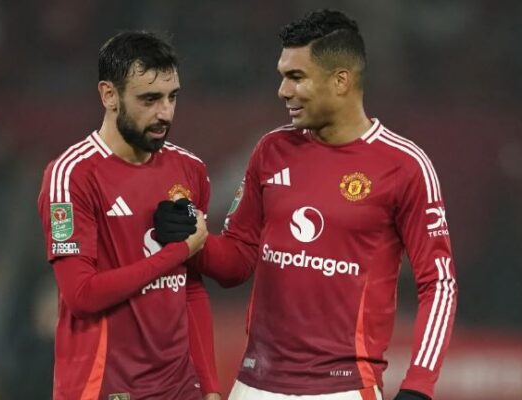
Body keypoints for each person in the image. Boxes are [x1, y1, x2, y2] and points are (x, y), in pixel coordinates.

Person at [154, 9, 457, 400]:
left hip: (342, 388)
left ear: (341, 81)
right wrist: (194, 241)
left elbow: (439, 283)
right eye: (283, 76)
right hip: (254, 384)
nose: (283, 90)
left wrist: (419, 384)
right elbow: (238, 261)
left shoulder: (404, 165)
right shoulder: (271, 149)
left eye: (296, 77)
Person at [37, 31, 221, 400]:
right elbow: (81, 295)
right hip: (104, 387)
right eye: (149, 99)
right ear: (109, 95)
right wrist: (177, 252)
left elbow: (189, 289)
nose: (165, 113)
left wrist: (210, 387)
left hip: (181, 389)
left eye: (172, 97)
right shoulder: (72, 175)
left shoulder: (189, 170)